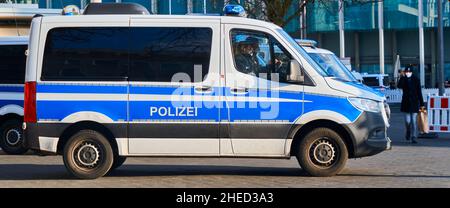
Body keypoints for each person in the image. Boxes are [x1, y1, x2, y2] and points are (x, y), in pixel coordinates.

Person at [397, 66, 424, 144]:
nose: (408, 73)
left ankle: (414, 136)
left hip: (414, 103)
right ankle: (408, 131)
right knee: (407, 121)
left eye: (409, 72)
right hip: (406, 103)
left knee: (414, 121)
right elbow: (399, 86)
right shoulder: (403, 79)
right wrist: (402, 77)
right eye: (406, 72)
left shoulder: (416, 79)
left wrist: (422, 103)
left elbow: (419, 92)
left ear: (412, 72)